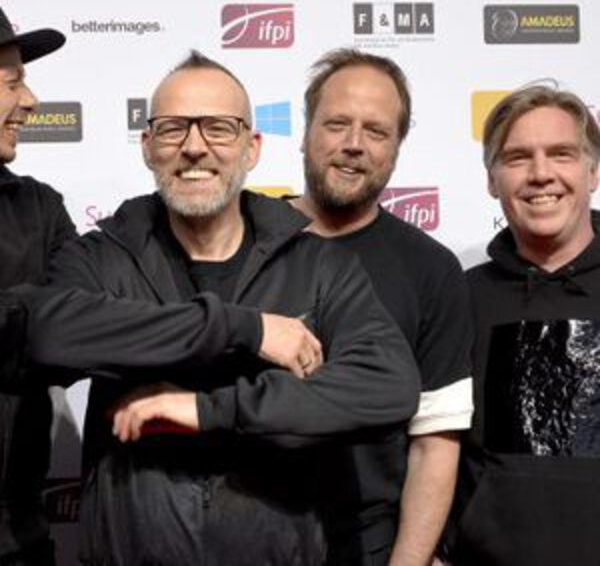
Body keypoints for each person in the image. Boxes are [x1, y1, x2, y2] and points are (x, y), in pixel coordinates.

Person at [46, 50, 419, 566]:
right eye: (173, 128)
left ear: (252, 148)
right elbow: (46, 335)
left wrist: (210, 410)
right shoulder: (102, 257)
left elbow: (387, 384)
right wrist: (243, 329)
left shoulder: (318, 265)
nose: (195, 147)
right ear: (148, 146)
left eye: (219, 128)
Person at [289, 48, 473, 566]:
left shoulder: (431, 269)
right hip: (243, 539)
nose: (354, 144)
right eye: (337, 124)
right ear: (305, 132)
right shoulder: (240, 238)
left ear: (396, 148)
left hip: (368, 546)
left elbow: (435, 442)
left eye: (376, 131)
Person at [449, 84, 600, 566]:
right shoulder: (459, 298)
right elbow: (430, 446)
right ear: (492, 181)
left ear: (593, 171)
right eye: (517, 158)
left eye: (561, 154)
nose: (540, 174)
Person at [0, 5, 73, 566]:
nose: (30, 100)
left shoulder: (39, 208)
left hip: (19, 540)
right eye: (12, 82)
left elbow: (77, 332)